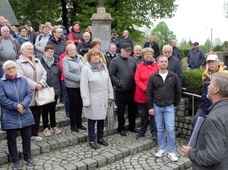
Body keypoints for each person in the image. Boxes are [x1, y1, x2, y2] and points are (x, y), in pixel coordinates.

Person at [182, 72, 228, 170]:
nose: (207, 86)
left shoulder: (214, 118)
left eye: (210, 83)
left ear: (216, 89)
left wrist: (191, 152)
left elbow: (213, 155)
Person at [0, 60, 35, 169]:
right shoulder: (1, 83)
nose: (11, 70)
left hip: (25, 113)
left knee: (27, 137)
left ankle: (27, 156)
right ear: (4, 71)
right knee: (12, 140)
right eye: (9, 68)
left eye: (13, 67)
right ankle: (15, 159)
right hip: (10, 115)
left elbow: (29, 94)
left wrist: (23, 105)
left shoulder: (23, 80)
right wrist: (16, 106)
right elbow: (2, 98)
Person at [146, 56, 181, 162]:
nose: (164, 63)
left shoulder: (173, 76)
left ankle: (171, 151)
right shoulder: (153, 77)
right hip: (157, 106)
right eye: (161, 61)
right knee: (160, 129)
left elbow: (178, 91)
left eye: (165, 61)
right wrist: (150, 107)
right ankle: (161, 149)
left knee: (170, 129)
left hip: (169, 106)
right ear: (157, 63)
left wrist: (175, 104)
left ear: (168, 63)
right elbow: (149, 92)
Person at [80, 48, 114, 149]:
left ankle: (100, 137)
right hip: (93, 97)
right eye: (94, 55)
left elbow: (108, 82)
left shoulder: (104, 67)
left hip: (103, 97)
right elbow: (84, 86)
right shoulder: (86, 69)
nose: (96, 57)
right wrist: (86, 100)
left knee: (101, 119)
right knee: (92, 120)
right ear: (90, 58)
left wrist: (110, 95)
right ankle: (91, 139)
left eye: (98, 55)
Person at [16, 42, 47, 141]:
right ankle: (26, 135)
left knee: (37, 113)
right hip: (27, 93)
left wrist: (41, 83)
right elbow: (21, 77)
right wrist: (35, 85)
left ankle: (35, 133)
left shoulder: (37, 60)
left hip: (38, 92)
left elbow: (44, 73)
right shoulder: (18, 63)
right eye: (28, 49)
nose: (30, 51)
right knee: (27, 114)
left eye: (31, 49)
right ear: (22, 50)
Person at [109, 42, 138, 136]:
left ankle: (132, 126)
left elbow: (136, 73)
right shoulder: (115, 61)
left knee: (132, 110)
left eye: (130, 51)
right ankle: (121, 128)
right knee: (121, 110)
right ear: (121, 50)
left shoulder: (133, 60)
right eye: (126, 51)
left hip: (132, 90)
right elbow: (111, 75)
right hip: (121, 91)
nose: (128, 53)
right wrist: (119, 83)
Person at [192, 54, 228, 126]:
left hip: (219, 103)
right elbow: (205, 87)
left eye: (213, 62)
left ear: (218, 62)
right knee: (196, 121)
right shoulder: (205, 73)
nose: (211, 64)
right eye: (209, 62)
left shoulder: (225, 73)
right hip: (205, 103)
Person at [134, 47, 159, 140]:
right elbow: (137, 79)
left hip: (154, 94)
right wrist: (146, 89)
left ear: (152, 55)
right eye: (146, 54)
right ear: (143, 56)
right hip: (143, 94)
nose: (148, 55)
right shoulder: (139, 66)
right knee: (144, 114)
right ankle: (142, 131)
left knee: (153, 114)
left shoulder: (157, 66)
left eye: (150, 54)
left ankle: (154, 133)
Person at [63, 44, 86, 132]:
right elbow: (67, 74)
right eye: (70, 50)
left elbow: (85, 69)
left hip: (81, 86)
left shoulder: (80, 57)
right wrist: (80, 78)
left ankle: (79, 123)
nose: (72, 51)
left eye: (74, 49)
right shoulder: (65, 60)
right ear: (67, 52)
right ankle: (73, 125)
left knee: (80, 105)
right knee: (73, 105)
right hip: (72, 86)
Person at [40, 45, 61, 136]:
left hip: (55, 88)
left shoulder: (56, 62)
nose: (50, 53)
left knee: (53, 109)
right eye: (48, 51)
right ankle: (45, 127)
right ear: (44, 52)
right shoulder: (40, 62)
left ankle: (53, 125)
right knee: (45, 109)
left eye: (52, 52)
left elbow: (59, 75)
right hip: (45, 89)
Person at [58, 40, 74, 117]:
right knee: (66, 96)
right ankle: (68, 110)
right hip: (65, 78)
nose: (72, 50)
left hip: (75, 80)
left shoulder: (78, 56)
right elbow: (62, 67)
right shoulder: (62, 56)